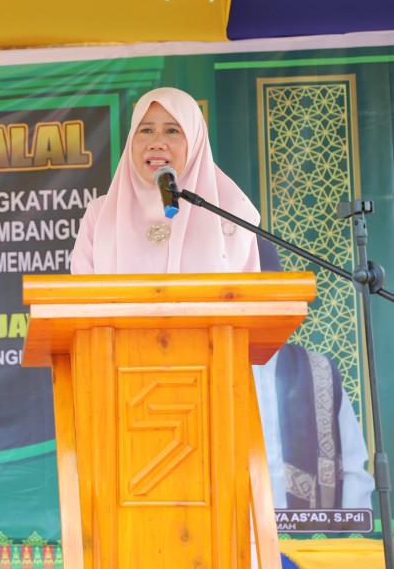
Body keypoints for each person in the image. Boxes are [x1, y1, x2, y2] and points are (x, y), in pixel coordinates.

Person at [71, 86, 261, 275]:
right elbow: (81, 292)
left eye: (172, 131)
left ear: (195, 141)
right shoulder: (100, 214)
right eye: (146, 130)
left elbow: (251, 292)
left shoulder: (232, 213)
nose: (156, 143)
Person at [254, 237, 374, 510]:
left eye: (270, 292)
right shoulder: (205, 370)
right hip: (227, 531)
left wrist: (347, 533)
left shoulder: (319, 372)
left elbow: (353, 472)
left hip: (311, 533)